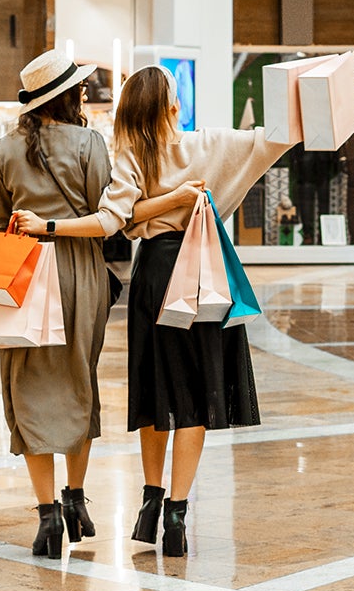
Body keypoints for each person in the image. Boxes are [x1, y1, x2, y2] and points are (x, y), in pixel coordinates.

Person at [114, 65, 294, 557]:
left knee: (154, 388)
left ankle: (150, 499)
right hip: (201, 274)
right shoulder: (209, 145)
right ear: (174, 107)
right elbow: (273, 140)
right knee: (192, 391)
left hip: (154, 273)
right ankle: (176, 513)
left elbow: (121, 219)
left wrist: (163, 200)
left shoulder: (129, 153)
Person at [0, 49, 137, 559]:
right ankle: (76, 497)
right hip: (78, 274)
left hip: (23, 276)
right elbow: (105, 213)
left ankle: (47, 515)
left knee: (26, 386)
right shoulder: (90, 144)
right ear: (71, 95)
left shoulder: (4, 150)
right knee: (79, 379)